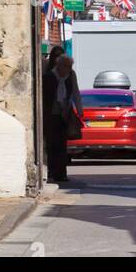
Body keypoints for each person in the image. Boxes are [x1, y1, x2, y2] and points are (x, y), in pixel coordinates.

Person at [42, 53, 83, 184]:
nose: (68, 69)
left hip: (64, 114)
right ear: (59, 66)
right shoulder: (48, 77)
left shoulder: (71, 76)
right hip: (50, 114)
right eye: (66, 66)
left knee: (62, 145)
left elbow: (75, 92)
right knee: (51, 144)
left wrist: (80, 110)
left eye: (70, 66)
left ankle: (61, 173)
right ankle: (51, 172)